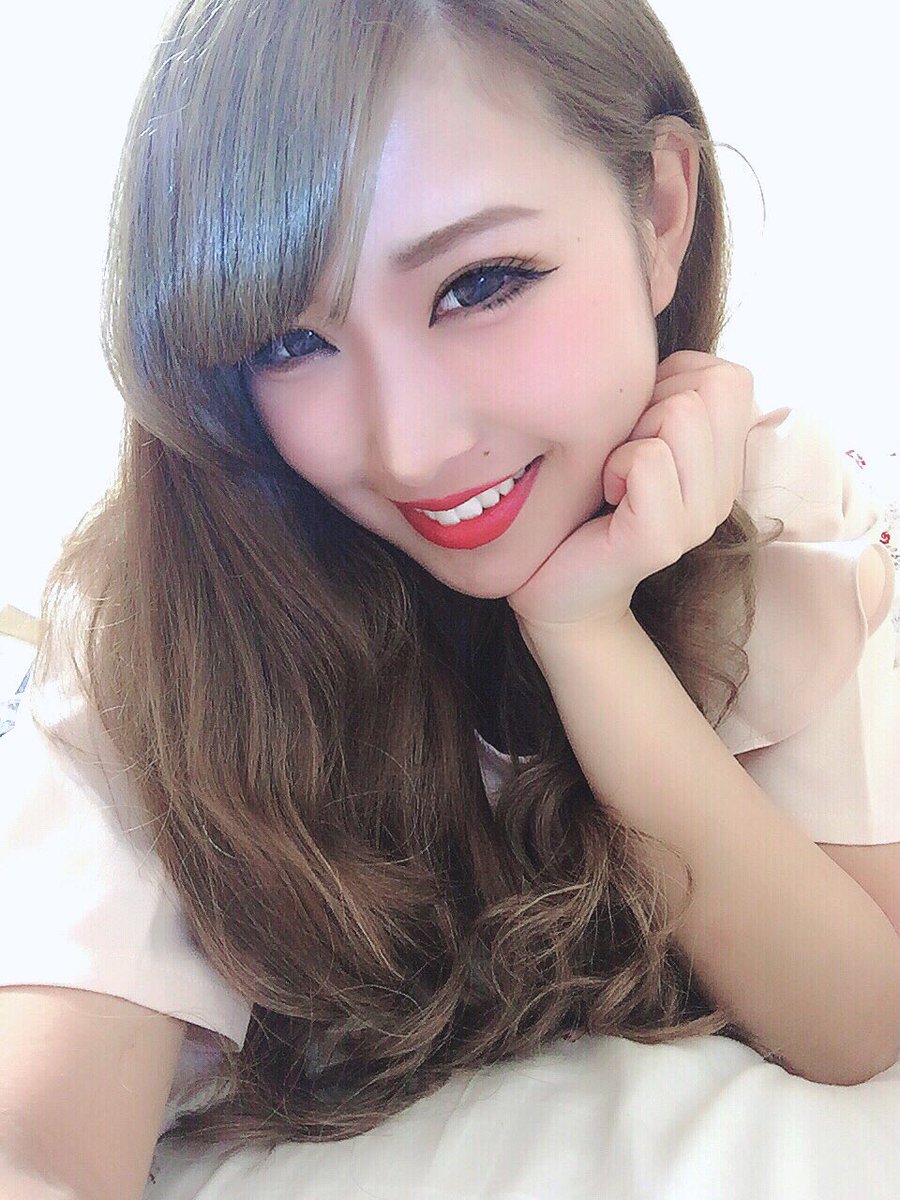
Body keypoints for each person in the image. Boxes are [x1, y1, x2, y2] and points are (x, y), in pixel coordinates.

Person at [1, 0, 898, 1193]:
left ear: (660, 210)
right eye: (289, 343)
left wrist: (586, 635)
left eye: (480, 284)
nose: (410, 446)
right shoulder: (159, 625)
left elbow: (857, 1016)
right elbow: (41, 1140)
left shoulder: (774, 505)